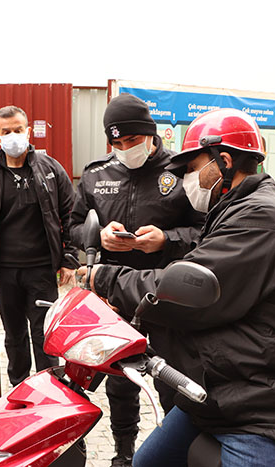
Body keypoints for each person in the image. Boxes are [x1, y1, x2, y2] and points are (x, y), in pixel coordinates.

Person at [86, 108, 275, 466]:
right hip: (224, 390)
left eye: (193, 168)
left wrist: (105, 278)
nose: (187, 179)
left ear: (224, 161)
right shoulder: (230, 211)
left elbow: (189, 291)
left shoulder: (261, 216)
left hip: (272, 407)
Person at [69, 93, 203, 467]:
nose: (126, 149)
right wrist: (98, 237)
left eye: (133, 140)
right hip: (115, 297)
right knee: (120, 381)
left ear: (151, 133)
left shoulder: (183, 173)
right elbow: (74, 226)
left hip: (167, 296)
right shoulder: (96, 174)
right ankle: (123, 452)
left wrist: (166, 239)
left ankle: (177, 452)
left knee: (172, 381)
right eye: (118, 143)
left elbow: (206, 232)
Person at [0, 105, 77, 387]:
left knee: (44, 333)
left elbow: (71, 214)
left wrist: (69, 259)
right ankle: (20, 387)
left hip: (41, 270)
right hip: (4, 272)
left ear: (28, 131)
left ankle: (51, 388)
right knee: (14, 336)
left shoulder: (50, 169)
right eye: (6, 131)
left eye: (18, 129)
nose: (13, 135)